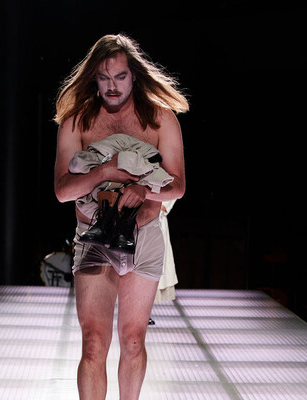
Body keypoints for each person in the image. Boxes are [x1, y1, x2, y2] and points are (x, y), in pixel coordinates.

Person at [53, 34, 189, 400]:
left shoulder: (160, 119)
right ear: (94, 78)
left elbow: (177, 186)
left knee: (132, 340)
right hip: (93, 236)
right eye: (104, 77)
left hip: (143, 234)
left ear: (135, 76)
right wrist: (105, 172)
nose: (112, 86)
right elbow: (63, 191)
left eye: (120, 76)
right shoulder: (77, 121)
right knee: (93, 342)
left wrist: (144, 189)